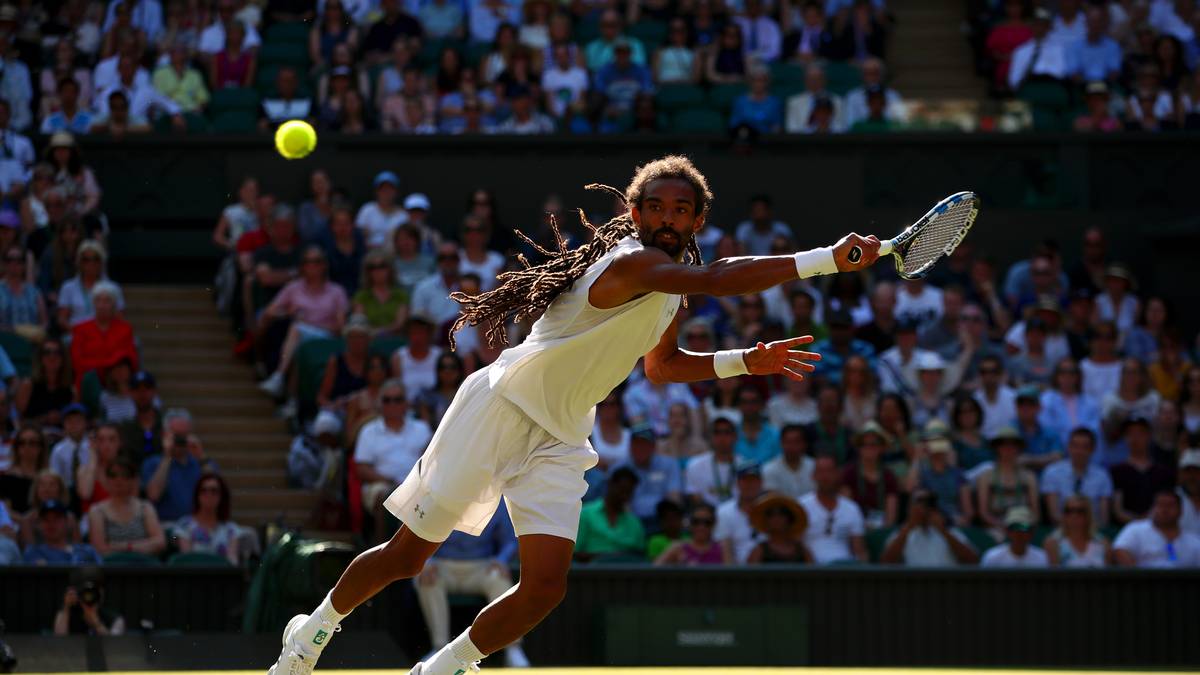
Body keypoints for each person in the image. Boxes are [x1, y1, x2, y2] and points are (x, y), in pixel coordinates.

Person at [266, 155, 882, 675]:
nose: (668, 219)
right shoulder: (633, 263)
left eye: (681, 210)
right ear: (635, 214)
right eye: (656, 208)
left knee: (544, 588)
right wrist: (827, 258)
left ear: (697, 219)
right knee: (407, 556)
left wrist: (747, 359)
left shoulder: (669, 294)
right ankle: (311, 633)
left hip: (561, 436)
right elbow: (718, 279)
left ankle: (442, 668)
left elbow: (663, 367)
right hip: (500, 406)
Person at [414, 504, 529, 668]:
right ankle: (438, 648)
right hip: (441, 566)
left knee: (499, 579)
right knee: (426, 580)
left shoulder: (500, 503)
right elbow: (419, 531)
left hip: (482, 566)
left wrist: (501, 560)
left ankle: (513, 648)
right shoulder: (439, 497)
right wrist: (426, 561)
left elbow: (510, 540)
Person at [353, 380, 432, 543]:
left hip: (417, 484)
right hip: (381, 484)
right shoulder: (369, 431)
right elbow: (361, 469)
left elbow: (432, 461)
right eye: (387, 400)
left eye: (398, 400)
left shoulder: (422, 429)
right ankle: (383, 548)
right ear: (380, 404)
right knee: (387, 495)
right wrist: (389, 481)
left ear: (406, 404)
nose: (392, 404)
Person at [142, 409, 218, 524]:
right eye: (177, 435)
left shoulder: (203, 462)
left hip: (198, 527)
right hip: (168, 527)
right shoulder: (152, 463)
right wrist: (167, 456)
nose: (181, 440)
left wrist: (201, 456)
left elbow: (218, 491)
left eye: (185, 435)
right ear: (164, 435)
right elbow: (154, 495)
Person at [87, 457, 167, 558]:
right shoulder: (97, 511)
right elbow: (100, 549)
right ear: (107, 479)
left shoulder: (145, 508)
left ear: (133, 480)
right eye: (113, 475)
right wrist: (142, 546)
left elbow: (160, 543)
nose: (118, 479)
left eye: (125, 475)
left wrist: (125, 546)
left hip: (143, 564)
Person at [880, 489, 978, 567]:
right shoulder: (901, 534)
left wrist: (943, 531)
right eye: (920, 502)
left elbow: (973, 562)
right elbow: (886, 563)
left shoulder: (951, 532)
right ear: (910, 508)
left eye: (929, 503)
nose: (925, 507)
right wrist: (909, 526)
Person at [611, 423, 682, 527]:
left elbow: (674, 497)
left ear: (653, 446)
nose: (641, 448)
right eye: (637, 444)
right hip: (629, 520)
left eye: (645, 444)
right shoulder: (618, 468)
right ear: (630, 446)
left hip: (661, 520)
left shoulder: (669, 465)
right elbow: (614, 500)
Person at [800, 455, 867, 564]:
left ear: (838, 474)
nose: (825, 476)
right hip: (810, 569)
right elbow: (794, 544)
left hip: (845, 568)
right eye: (821, 471)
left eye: (829, 471)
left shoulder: (852, 509)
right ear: (813, 475)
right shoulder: (800, 506)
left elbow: (859, 549)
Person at [1040, 427, 1112, 526]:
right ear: (1068, 447)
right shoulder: (1052, 473)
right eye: (1075, 446)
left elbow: (1104, 518)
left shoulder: (1102, 476)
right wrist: (1075, 526)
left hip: (1093, 529)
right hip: (1061, 529)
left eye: (1085, 447)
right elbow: (1054, 515)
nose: (1079, 451)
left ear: (1093, 449)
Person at [976, 427, 1041, 532]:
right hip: (995, 528)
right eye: (1003, 445)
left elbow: (1035, 513)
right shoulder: (986, 477)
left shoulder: (1029, 477)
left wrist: (1023, 526)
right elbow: (984, 513)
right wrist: (1000, 525)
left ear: (1018, 448)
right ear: (997, 448)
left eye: (1012, 445)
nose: (1008, 449)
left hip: (1024, 528)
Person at [574, 467, 646, 562]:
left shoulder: (634, 523)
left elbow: (640, 556)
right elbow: (575, 552)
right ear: (610, 485)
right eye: (622, 490)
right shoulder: (585, 515)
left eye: (629, 492)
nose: (624, 496)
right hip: (591, 569)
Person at [1113, 490, 1200, 567]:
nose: (1165, 510)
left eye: (1170, 505)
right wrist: (1139, 575)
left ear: (1181, 510)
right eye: (1160, 505)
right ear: (1153, 508)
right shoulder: (1136, 529)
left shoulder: (1193, 540)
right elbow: (1120, 550)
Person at [172, 473, 240, 566]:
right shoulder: (184, 525)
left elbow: (232, 561)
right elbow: (187, 559)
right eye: (203, 490)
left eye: (214, 491)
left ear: (222, 496)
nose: (208, 494)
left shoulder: (231, 529)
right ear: (197, 495)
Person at [842, 421, 899, 529]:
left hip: (881, 529)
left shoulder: (889, 476)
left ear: (881, 448)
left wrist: (882, 530)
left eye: (873, 445)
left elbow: (891, 515)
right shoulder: (849, 473)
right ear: (859, 448)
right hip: (854, 529)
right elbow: (845, 507)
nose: (869, 449)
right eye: (864, 445)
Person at [22, 499, 101, 565]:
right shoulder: (33, 553)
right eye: (46, 519)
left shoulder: (86, 551)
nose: (51, 523)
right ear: (39, 524)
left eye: (57, 518)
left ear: (67, 522)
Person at [685, 415, 739, 507]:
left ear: (735, 437)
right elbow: (694, 497)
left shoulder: (744, 465)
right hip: (707, 514)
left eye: (727, 432)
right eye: (717, 432)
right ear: (710, 437)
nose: (722, 437)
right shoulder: (695, 465)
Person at [53, 569, 126, 635]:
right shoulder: (66, 614)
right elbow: (58, 641)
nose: (89, 595)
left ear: (101, 592)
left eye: (93, 591)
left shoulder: (115, 619)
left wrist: (97, 624)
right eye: (85, 591)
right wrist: (66, 608)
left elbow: (114, 644)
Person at [1044, 495, 1110, 567]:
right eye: (1069, 511)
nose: (1074, 515)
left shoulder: (1103, 543)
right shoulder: (1053, 543)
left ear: (1088, 514)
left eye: (1080, 511)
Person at [746, 492, 812, 564]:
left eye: (782, 513)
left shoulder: (802, 551)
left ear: (790, 519)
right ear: (766, 520)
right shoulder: (758, 552)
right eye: (770, 514)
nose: (776, 518)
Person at [654, 501, 728, 565]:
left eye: (707, 522)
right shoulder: (678, 548)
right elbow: (654, 570)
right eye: (696, 522)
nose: (701, 527)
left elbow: (730, 575)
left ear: (714, 523)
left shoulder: (722, 548)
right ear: (690, 523)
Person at [981, 506, 1050, 568]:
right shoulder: (992, 557)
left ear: (1032, 531)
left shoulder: (1042, 557)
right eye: (1014, 527)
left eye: (1024, 527)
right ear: (1007, 531)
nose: (1018, 532)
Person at [762, 424, 815, 500]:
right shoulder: (769, 469)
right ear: (781, 443)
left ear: (804, 444)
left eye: (796, 442)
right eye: (788, 442)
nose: (792, 446)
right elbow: (772, 499)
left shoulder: (814, 467)